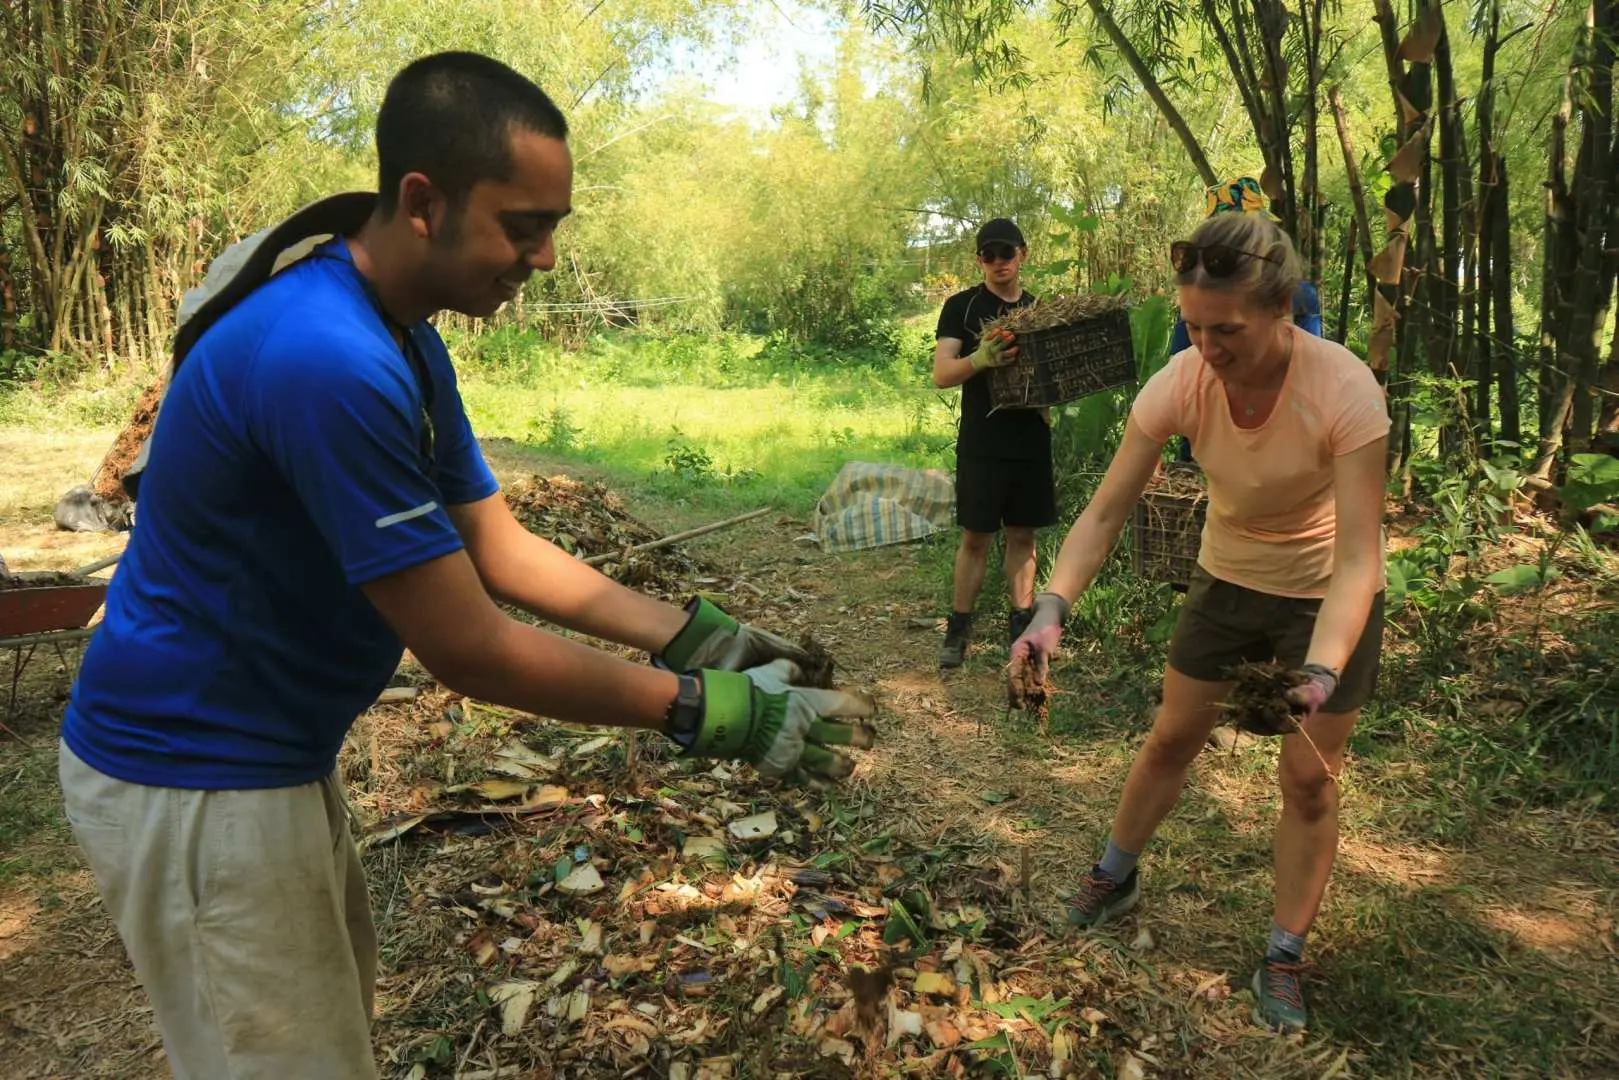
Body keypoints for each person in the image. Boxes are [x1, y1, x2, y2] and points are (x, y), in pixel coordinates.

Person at [57, 52, 874, 1080]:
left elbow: (496, 546)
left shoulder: (403, 340)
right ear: (421, 201)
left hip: (263, 756)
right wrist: (713, 710)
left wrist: (690, 632)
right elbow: (469, 649)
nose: (540, 258)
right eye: (521, 225)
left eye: (553, 229)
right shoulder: (327, 358)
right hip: (193, 775)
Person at [1010, 212, 1388, 1034]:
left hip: (1326, 594)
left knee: (1306, 780)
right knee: (1171, 737)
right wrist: (1050, 610)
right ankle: (1114, 875)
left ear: (1283, 310)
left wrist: (1321, 668)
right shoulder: (1182, 381)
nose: (1207, 350)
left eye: (1227, 331)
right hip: (1224, 579)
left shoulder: (1344, 388)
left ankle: (1283, 954)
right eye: (1191, 327)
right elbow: (1106, 511)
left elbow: (1362, 555)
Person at [931, 217, 1055, 668]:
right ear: (979, 259)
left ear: (1024, 254)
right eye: (989, 254)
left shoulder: (1041, 311)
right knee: (977, 537)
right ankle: (958, 628)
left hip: (1031, 439)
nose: (998, 262)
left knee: (1024, 533)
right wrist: (979, 358)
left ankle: (1020, 628)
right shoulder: (962, 308)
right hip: (983, 440)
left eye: (1007, 253)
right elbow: (942, 374)